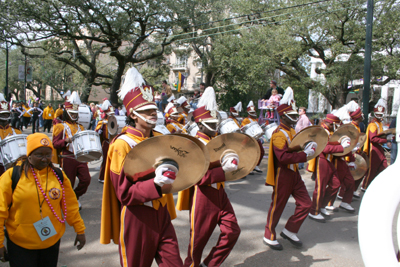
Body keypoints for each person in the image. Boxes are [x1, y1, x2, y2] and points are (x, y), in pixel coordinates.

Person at [100, 67, 181, 267]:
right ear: (134, 115)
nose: (153, 113)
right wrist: (155, 184)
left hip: (161, 212)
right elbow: (124, 193)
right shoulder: (122, 144)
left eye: (153, 109)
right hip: (138, 217)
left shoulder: (160, 138)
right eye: (146, 111)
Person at [177, 86, 241, 267]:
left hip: (220, 193)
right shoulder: (194, 144)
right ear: (199, 124)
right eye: (210, 123)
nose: (215, 126)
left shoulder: (217, 140)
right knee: (197, 242)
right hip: (203, 196)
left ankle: (210, 264)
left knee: (232, 231)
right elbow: (198, 177)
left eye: (215, 123)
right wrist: (224, 170)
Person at [0, 133, 86, 267]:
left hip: (51, 242)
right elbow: (0, 211)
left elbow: (70, 205)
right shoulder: (12, 176)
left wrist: (80, 230)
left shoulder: (58, 175)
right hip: (20, 244)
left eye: (48, 155)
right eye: (39, 155)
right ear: (29, 155)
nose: (45, 159)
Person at [263, 87, 313, 250]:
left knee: (306, 203)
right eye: (291, 117)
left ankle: (290, 230)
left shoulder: (291, 131)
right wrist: (304, 155)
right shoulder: (278, 134)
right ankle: (268, 234)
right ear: (283, 116)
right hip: (283, 174)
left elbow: (294, 148)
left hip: (294, 174)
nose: (294, 119)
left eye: (294, 116)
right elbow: (283, 158)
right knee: (278, 205)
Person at [52, 92, 92, 210]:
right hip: (67, 156)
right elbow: (55, 144)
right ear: (66, 113)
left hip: (80, 157)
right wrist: (66, 140)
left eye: (76, 114)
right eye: (72, 114)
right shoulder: (60, 127)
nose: (74, 116)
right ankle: (66, 202)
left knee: (86, 179)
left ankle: (75, 196)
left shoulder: (81, 127)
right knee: (68, 182)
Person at [307, 114, 350, 222]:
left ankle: (322, 205)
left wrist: (340, 142)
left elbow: (330, 143)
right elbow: (324, 148)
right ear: (330, 123)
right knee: (320, 187)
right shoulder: (322, 131)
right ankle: (314, 211)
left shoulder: (327, 131)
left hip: (329, 160)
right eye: (335, 125)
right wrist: (341, 146)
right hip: (322, 160)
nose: (336, 127)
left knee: (336, 184)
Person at [362, 99, 388, 190]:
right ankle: (365, 186)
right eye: (379, 115)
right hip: (374, 149)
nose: (380, 116)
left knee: (384, 166)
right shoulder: (373, 125)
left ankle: (375, 184)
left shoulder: (379, 123)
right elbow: (373, 138)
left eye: (381, 115)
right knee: (372, 169)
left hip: (379, 148)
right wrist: (385, 140)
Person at [0, 94, 22, 176]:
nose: (5, 116)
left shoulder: (16, 131)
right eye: (2, 114)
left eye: (6, 114)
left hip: (14, 167)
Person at [241, 100, 264, 173]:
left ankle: (256, 165)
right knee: (250, 153)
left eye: (254, 112)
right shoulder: (246, 120)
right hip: (249, 139)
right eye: (251, 113)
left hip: (256, 138)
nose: (253, 114)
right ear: (248, 113)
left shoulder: (255, 120)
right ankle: (249, 167)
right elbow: (242, 128)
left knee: (261, 152)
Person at [95, 99, 115, 183]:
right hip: (106, 143)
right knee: (105, 161)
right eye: (110, 114)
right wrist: (99, 130)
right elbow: (96, 133)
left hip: (114, 143)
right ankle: (102, 177)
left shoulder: (114, 121)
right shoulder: (102, 122)